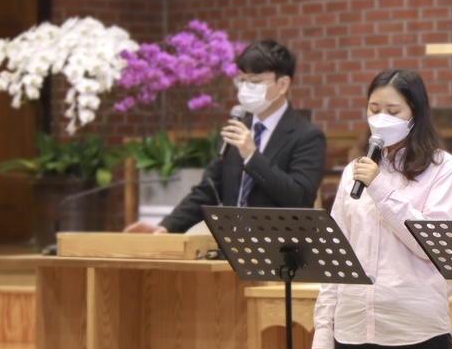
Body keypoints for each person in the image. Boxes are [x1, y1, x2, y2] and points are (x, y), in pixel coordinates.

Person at [311, 69, 452, 349]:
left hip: (413, 332)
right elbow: (336, 251)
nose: (381, 118)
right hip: (354, 331)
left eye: (393, 111)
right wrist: (324, 328)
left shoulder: (444, 170)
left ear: (415, 113)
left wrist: (380, 186)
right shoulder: (354, 172)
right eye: (374, 108)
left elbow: (431, 245)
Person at [123, 39, 326, 234]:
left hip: (280, 249)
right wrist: (167, 226)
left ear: (282, 85)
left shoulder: (307, 137)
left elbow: (299, 198)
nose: (246, 88)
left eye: (255, 82)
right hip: (231, 245)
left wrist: (252, 157)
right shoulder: (237, 129)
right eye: (242, 80)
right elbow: (208, 190)